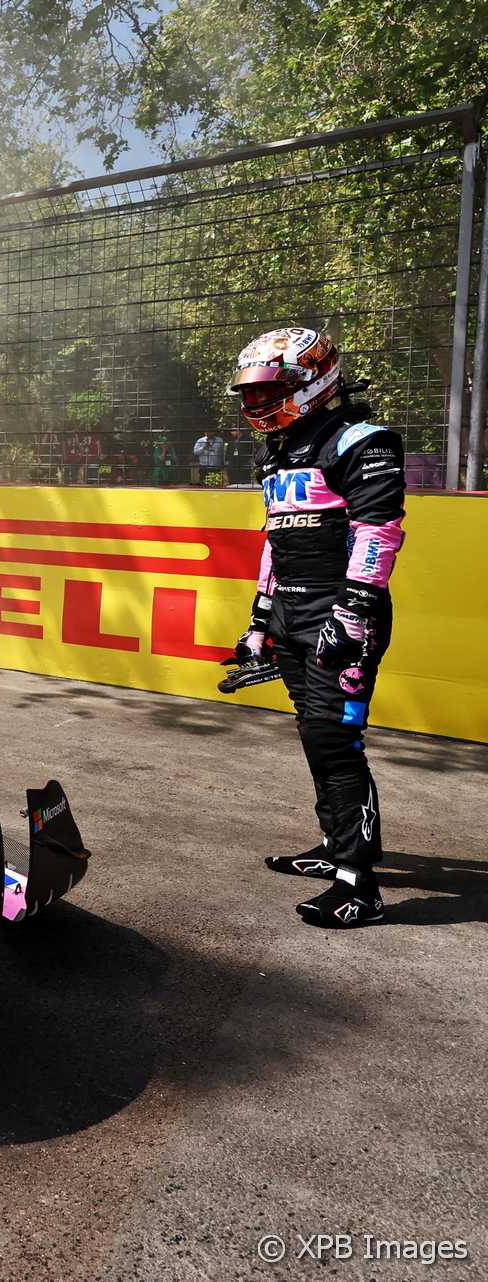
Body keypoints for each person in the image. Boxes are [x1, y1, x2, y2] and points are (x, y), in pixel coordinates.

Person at [229, 327, 405, 928]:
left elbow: (378, 534)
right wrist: (259, 620)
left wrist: (350, 616)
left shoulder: (363, 440)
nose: (257, 405)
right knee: (314, 736)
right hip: (291, 613)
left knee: (337, 744)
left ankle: (362, 883)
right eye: (250, 395)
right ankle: (335, 849)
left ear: (314, 380)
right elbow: (277, 539)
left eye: (269, 392)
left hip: (341, 611)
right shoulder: (276, 449)